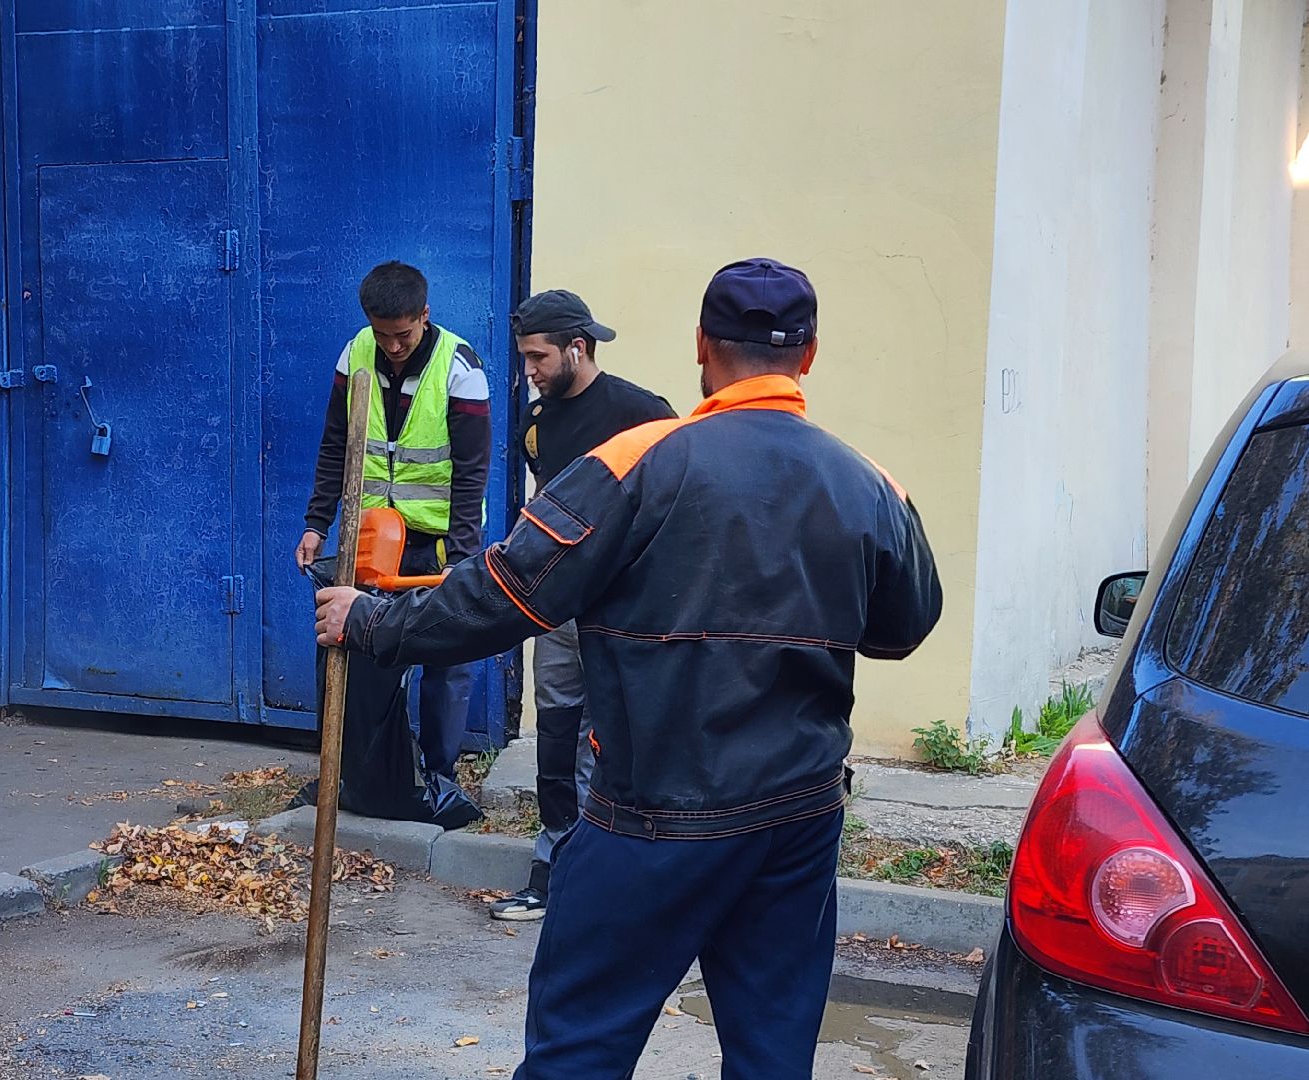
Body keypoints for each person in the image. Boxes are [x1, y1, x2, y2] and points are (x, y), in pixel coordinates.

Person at [315, 258, 942, 1079]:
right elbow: (904, 629)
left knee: (579, 1049)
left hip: (655, 817)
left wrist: (373, 619)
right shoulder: (871, 484)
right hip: (797, 819)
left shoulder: (636, 461)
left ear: (701, 349)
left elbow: (505, 594)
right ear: (810, 356)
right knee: (772, 1057)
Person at [490, 289, 677, 922]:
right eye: (524, 359)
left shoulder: (644, 413)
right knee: (556, 732)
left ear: (579, 347)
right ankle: (553, 868)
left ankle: (608, 874)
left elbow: (671, 511)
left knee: (611, 738)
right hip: (558, 609)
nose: (529, 371)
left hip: (624, 610)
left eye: (538, 357)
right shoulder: (538, 422)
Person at [296, 260, 490, 781]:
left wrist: (464, 557)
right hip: (371, 540)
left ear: (424, 316)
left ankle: (438, 779)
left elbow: (473, 473)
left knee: (446, 659)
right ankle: (364, 774)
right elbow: (335, 443)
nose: (392, 346)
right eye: (383, 335)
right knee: (359, 648)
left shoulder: (460, 367)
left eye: (402, 334)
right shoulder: (357, 352)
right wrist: (317, 522)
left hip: (437, 544)